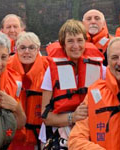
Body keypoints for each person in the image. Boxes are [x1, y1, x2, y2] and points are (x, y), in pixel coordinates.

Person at [40, 19, 105, 148]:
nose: (76, 45)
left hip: (87, 135)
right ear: (63, 45)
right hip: (57, 136)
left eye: (80, 40)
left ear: (85, 42)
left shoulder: (101, 69)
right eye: (70, 41)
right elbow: (46, 117)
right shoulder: (52, 71)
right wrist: (73, 117)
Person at [7, 32, 49, 150]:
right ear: (15, 49)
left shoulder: (49, 68)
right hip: (11, 138)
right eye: (22, 48)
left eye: (31, 48)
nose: (27, 51)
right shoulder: (5, 67)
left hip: (38, 139)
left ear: (38, 50)